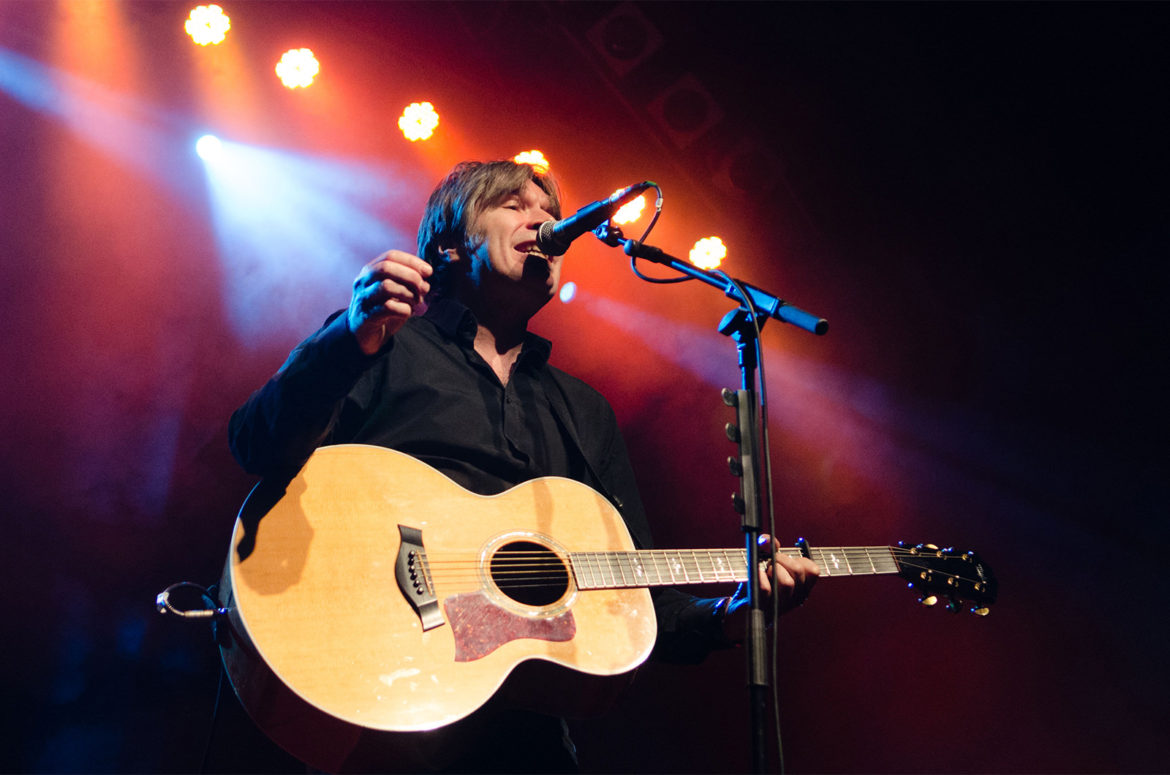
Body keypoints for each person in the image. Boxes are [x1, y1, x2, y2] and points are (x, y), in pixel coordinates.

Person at [226, 160, 819, 772]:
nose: (543, 221)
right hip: (377, 685)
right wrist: (349, 336)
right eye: (514, 205)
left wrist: (730, 615)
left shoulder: (584, 411)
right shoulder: (382, 343)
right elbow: (254, 443)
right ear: (451, 246)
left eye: (552, 213)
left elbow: (638, 598)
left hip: (520, 730)